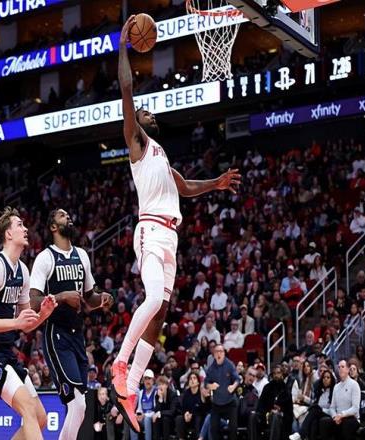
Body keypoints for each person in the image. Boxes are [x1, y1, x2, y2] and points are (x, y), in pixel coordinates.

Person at [111, 15, 241, 433]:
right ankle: (119, 364)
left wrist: (216, 184)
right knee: (151, 299)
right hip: (150, 230)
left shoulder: (161, 156)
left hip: (171, 236)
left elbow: (185, 187)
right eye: (143, 111)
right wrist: (123, 47)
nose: (147, 111)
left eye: (149, 112)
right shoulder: (136, 142)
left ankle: (131, 389)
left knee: (161, 313)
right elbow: (127, 88)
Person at [29, 208, 114, 440]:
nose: (68, 217)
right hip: (56, 334)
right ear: (53, 227)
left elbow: (89, 296)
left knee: (79, 406)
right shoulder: (45, 257)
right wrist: (61, 296)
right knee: (77, 405)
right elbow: (32, 302)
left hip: (78, 335)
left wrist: (102, 299)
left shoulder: (82, 255)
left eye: (68, 215)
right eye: (61, 215)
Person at [0, 207, 57, 440]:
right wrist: (15, 322)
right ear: (8, 234)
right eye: (20, 225)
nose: (26, 228)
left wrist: (43, 314)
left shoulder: (23, 271)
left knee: (40, 418)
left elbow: (25, 324)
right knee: (28, 409)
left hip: (6, 352)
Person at [205, 343, 240, 440]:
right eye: (217, 351)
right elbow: (206, 383)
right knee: (213, 428)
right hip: (216, 404)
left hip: (230, 402)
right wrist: (210, 386)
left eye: (221, 351)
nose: (219, 353)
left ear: (224, 353)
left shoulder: (229, 365)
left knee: (233, 428)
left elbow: (237, 379)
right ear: (214, 354)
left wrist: (233, 386)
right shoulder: (211, 368)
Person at [318, 359, 361, 440]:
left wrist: (342, 415)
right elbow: (332, 407)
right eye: (339, 367)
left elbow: (355, 408)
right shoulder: (336, 387)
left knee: (346, 424)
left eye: (342, 367)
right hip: (338, 417)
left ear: (348, 369)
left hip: (351, 418)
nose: (340, 369)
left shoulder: (354, 385)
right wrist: (335, 416)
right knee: (324, 422)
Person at [290, 369, 335, 440]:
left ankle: (300, 434)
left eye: (328, 377)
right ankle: (304, 435)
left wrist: (321, 409)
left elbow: (333, 409)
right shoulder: (320, 391)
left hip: (328, 413)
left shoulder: (334, 392)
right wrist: (304, 399)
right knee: (314, 421)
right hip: (317, 413)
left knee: (315, 409)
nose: (325, 379)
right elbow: (313, 402)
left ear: (331, 380)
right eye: (324, 377)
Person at [251, 365, 293, 440]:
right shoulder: (267, 388)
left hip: (281, 419)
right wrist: (268, 410)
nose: (276, 375)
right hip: (266, 416)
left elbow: (289, 413)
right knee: (253, 416)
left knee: (275, 416)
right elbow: (260, 405)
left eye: (278, 373)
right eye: (274, 373)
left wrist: (280, 410)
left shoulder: (286, 391)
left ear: (282, 374)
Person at [176, 372, 207, 440]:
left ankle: (198, 437)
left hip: (199, 417)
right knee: (179, 418)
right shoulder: (186, 393)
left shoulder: (201, 393)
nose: (192, 380)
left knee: (198, 418)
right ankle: (181, 438)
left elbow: (203, 409)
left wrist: (192, 414)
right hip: (188, 418)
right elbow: (183, 408)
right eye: (190, 379)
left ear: (198, 382)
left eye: (194, 378)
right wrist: (185, 414)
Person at [152, 375, 179, 440]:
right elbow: (156, 411)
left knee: (165, 419)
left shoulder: (173, 394)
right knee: (156, 420)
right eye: (159, 385)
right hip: (163, 418)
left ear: (167, 385)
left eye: (162, 384)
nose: (160, 386)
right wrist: (160, 399)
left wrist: (160, 413)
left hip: (173, 419)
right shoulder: (157, 395)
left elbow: (172, 411)